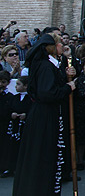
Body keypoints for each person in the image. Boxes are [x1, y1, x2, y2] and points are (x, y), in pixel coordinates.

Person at [12, 33, 76, 196]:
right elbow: (47, 92)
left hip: (46, 114)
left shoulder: (48, 64)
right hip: (45, 117)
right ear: (51, 47)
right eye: (59, 43)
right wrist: (68, 87)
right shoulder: (46, 66)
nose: (62, 45)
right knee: (43, 156)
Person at [2, 76, 31, 178]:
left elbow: (32, 111)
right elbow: (9, 108)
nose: (16, 86)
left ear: (26, 86)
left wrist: (26, 115)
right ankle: (11, 167)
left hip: (24, 128)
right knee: (12, 148)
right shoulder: (15, 98)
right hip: (15, 127)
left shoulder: (30, 98)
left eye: (18, 84)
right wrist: (12, 113)